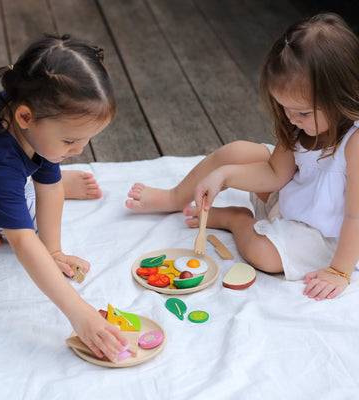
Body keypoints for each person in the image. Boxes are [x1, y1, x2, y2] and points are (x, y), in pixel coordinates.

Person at [126, 13, 359, 301]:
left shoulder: (354, 142)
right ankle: (175, 197)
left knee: (263, 256)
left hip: (333, 235)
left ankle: (237, 220)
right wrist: (225, 176)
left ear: (343, 96)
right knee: (235, 152)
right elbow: (275, 174)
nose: (291, 118)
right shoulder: (298, 124)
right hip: (296, 201)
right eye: (284, 107)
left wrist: (339, 270)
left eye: (302, 113)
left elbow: (354, 216)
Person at [0, 34, 127, 361]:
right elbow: (23, 242)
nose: (79, 151)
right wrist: (79, 312)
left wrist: (54, 251)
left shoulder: (33, 110)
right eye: (69, 141)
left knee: (39, 186)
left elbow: (48, 185)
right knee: (13, 215)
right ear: (25, 118)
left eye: (86, 142)